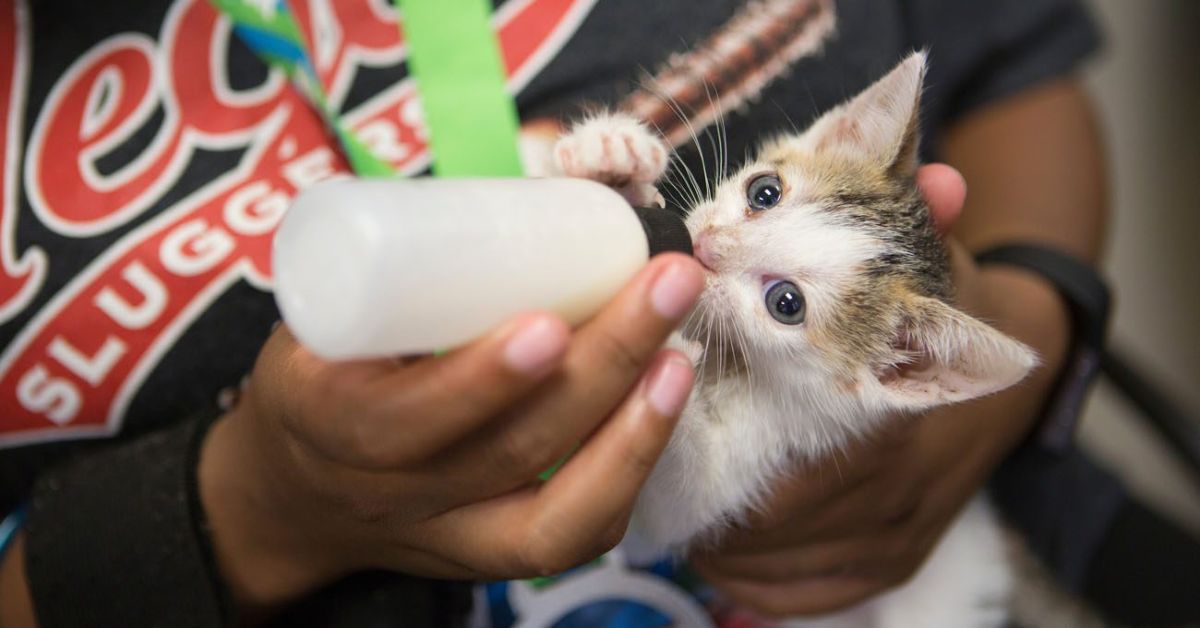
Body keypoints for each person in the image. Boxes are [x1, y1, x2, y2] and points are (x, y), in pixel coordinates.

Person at [0, 0, 1116, 625]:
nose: (721, 232)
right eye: (765, 193)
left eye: (779, 287)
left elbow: (1021, 67)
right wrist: (251, 511)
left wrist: (1031, 309)